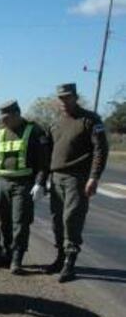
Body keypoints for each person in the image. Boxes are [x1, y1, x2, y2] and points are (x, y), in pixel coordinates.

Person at [0, 100, 50, 274]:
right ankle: (6, 253)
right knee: (4, 221)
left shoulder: (34, 131)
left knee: (20, 222)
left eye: (5, 118)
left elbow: (44, 162)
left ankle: (17, 259)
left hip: (24, 184)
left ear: (16, 114)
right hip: (2, 183)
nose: (2, 121)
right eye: (1, 118)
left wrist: (40, 183)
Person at [46, 83, 109, 282]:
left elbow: (101, 150)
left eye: (67, 97)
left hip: (77, 178)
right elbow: (48, 149)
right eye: (61, 98)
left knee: (71, 219)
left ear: (75, 97)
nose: (64, 101)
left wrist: (94, 177)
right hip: (56, 177)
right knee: (57, 219)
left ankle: (70, 263)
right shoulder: (56, 122)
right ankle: (60, 257)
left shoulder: (90, 120)